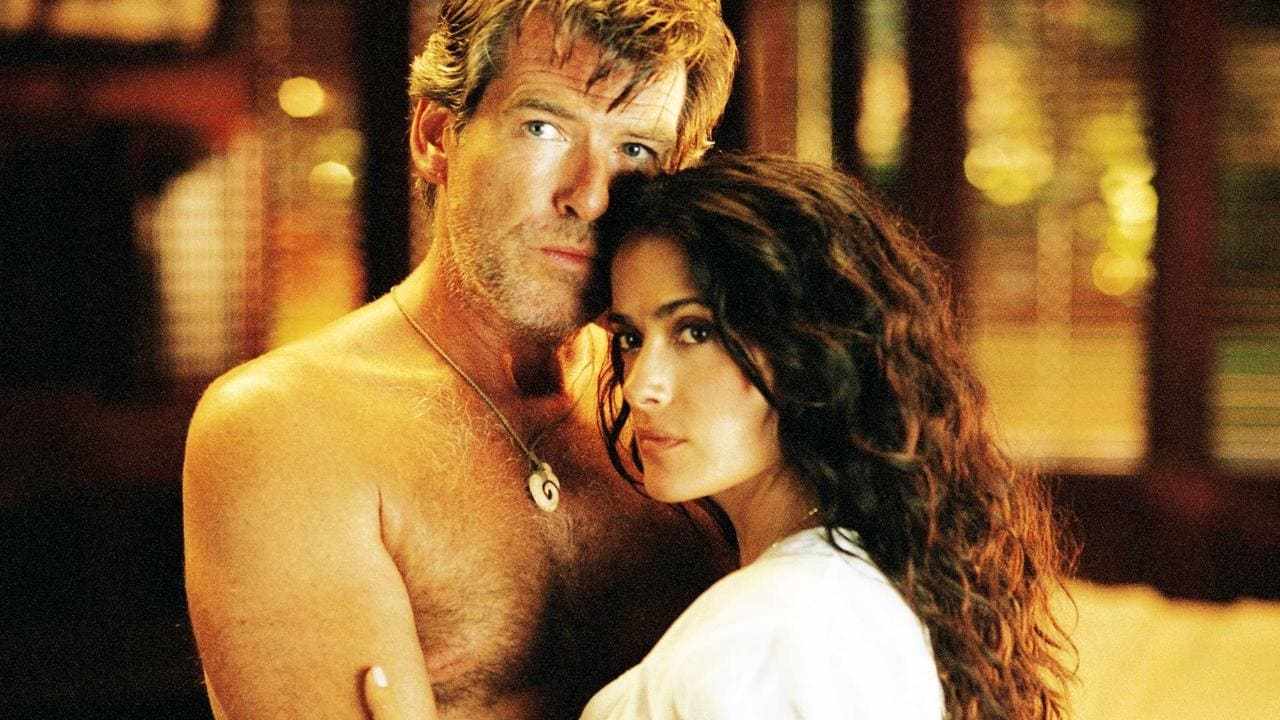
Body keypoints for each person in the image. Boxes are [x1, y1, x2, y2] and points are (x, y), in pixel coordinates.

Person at [364, 154, 1075, 719]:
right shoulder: (841, 588)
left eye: (696, 331)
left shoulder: (774, 634)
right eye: (631, 338)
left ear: (810, 346)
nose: (642, 386)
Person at [181, 2, 738, 718]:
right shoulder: (290, 428)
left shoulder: (692, 397)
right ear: (435, 136)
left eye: (635, 150)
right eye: (543, 128)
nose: (591, 196)